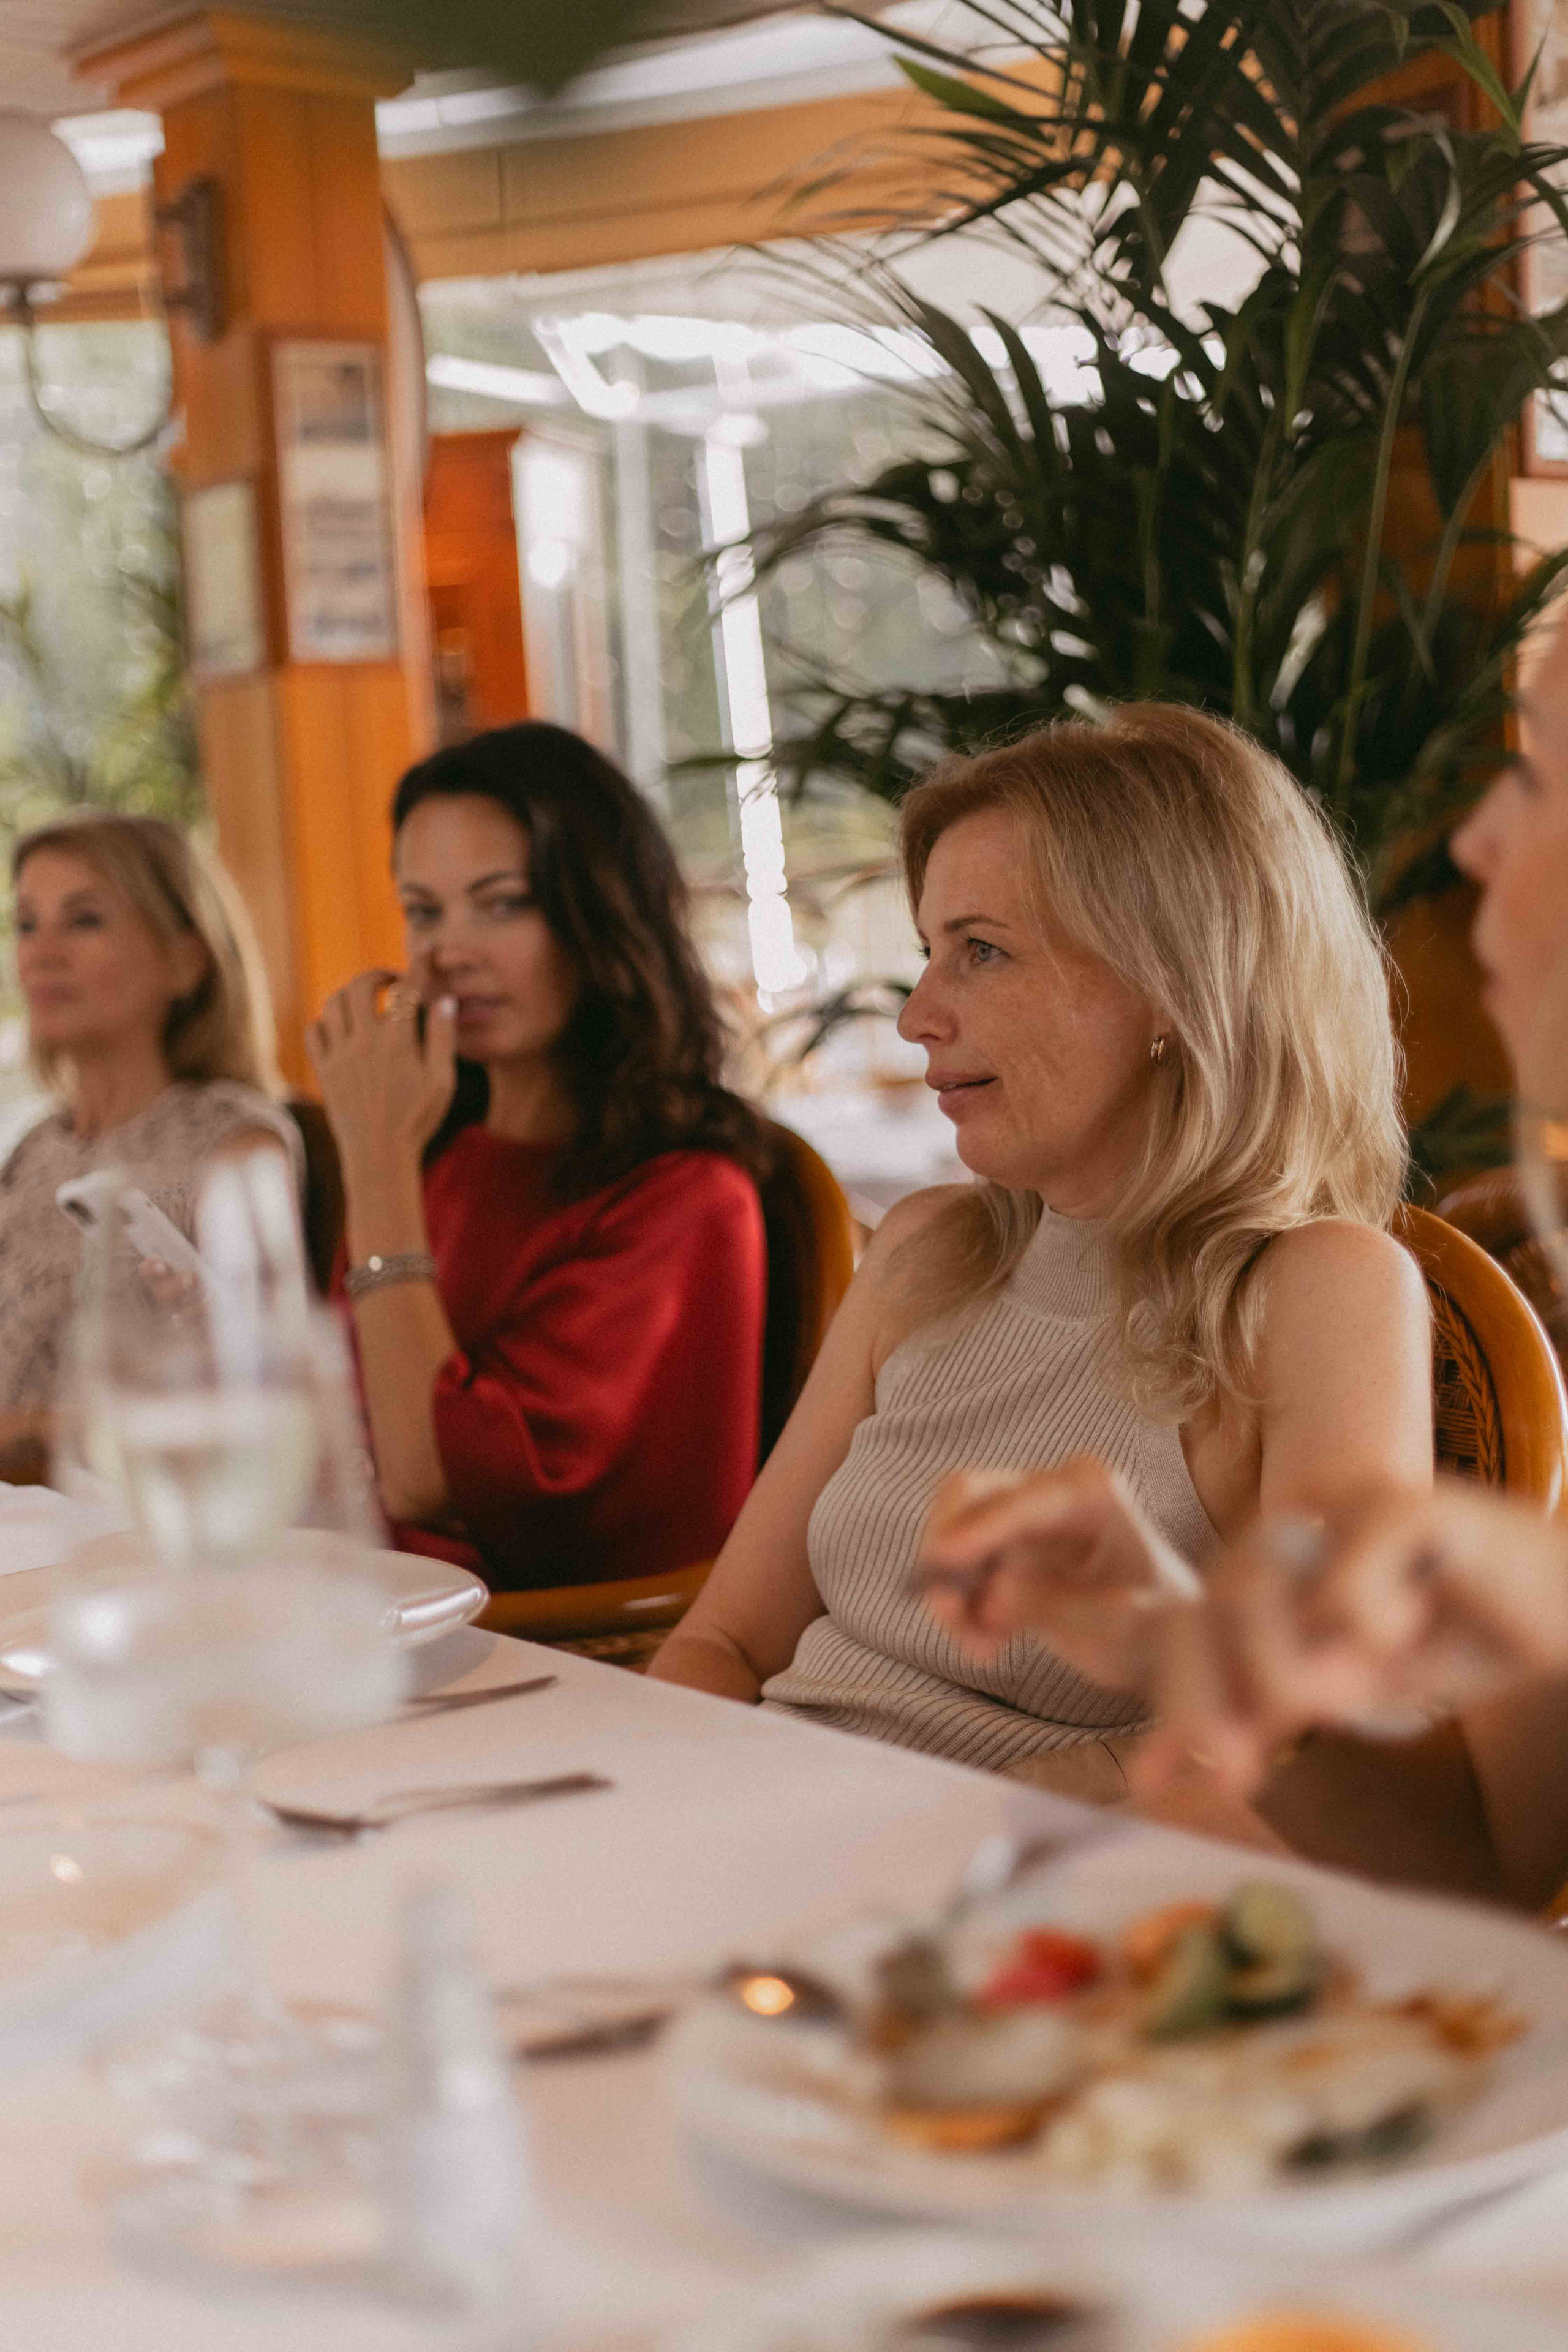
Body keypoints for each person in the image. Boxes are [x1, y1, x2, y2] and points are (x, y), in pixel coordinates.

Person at [650, 705, 1433, 1818]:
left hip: (1019, 1909)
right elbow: (726, 1641)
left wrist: (913, 1857)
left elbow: (1303, 1737)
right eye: (930, 952)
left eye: (981, 951)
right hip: (759, 1833)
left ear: (1175, 982)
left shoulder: (1320, 1291)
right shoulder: (929, 1248)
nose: (919, 1015)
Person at [912, 608, 1568, 1903]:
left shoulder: (1317, 1285)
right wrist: (1169, 1635)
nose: (1478, 839)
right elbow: (1488, 1866)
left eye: (1540, 773)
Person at [307, 722, 769, 1592]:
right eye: (424, 911)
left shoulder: (689, 1196)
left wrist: (373, 1161)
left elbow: (421, 1476)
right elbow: (338, 1434)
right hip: (368, 1622)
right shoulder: (443, 1154)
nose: (450, 953)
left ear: (598, 913)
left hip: (568, 1668)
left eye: (504, 902)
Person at [0, 813, 297, 1469]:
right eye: (26, 924)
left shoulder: (235, 1142)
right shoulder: (32, 1152)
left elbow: (259, 1390)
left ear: (184, 960)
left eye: (84, 919)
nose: (41, 952)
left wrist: (23, 1437)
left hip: (138, 1527)